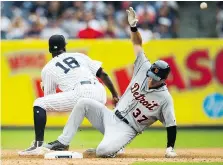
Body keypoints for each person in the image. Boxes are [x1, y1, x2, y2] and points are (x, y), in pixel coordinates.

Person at [45, 7, 177, 158]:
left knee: (102, 151)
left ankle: (114, 147)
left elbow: (171, 124)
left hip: (127, 129)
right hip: (111, 116)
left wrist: (170, 148)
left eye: (155, 78)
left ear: (162, 80)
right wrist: (133, 27)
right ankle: (63, 141)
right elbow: (137, 45)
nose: (151, 79)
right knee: (83, 102)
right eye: (150, 75)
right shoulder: (144, 68)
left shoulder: (165, 99)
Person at [18, 34, 119, 155]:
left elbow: (48, 98)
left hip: (81, 91)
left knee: (39, 102)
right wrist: (114, 95)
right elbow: (103, 74)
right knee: (84, 107)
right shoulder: (79, 56)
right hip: (99, 90)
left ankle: (38, 145)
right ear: (64, 47)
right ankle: (115, 143)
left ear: (50, 50)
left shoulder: (48, 68)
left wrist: (44, 86)